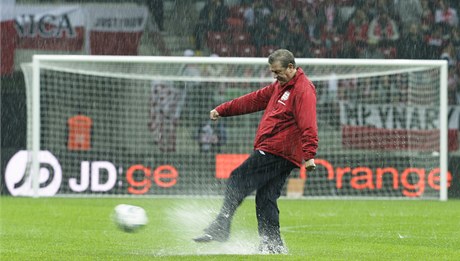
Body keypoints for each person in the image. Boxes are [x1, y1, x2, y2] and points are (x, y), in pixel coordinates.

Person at [193, 49, 318, 254]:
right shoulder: (280, 86)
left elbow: (308, 123)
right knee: (266, 197)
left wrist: (310, 154)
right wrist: (223, 109)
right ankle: (273, 245)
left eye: (278, 71)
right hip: (281, 152)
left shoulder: (303, 89)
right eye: (272, 72)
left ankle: (221, 225)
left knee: (237, 177)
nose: (275, 76)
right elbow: (253, 100)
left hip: (277, 149)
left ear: (291, 67)